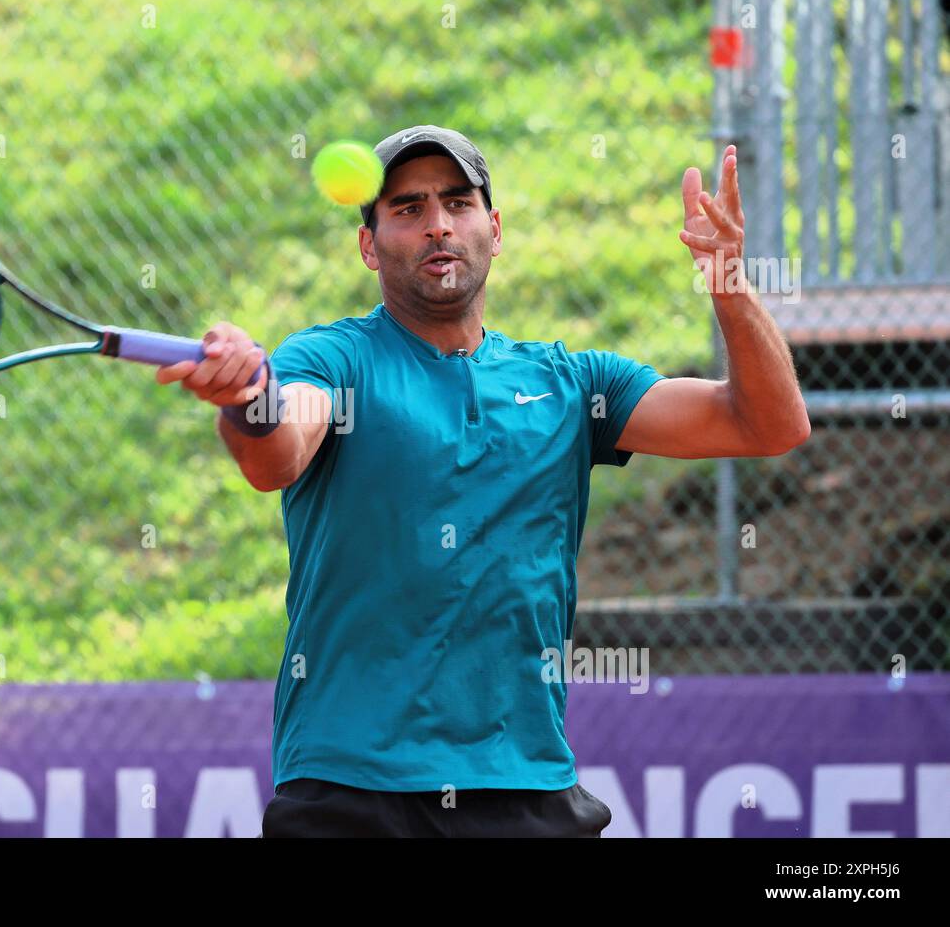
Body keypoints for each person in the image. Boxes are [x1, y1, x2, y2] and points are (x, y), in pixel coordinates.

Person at [156, 125, 810, 837]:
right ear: (369, 245)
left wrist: (729, 282)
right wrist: (247, 400)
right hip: (352, 790)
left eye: (458, 203)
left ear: (493, 230)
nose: (438, 224)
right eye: (407, 209)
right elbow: (276, 452)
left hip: (528, 786)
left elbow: (767, 425)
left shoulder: (571, 383)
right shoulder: (333, 359)